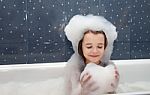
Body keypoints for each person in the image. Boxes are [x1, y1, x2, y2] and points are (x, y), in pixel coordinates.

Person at [64, 14, 119, 95]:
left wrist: (114, 87)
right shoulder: (75, 69)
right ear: (81, 47)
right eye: (89, 47)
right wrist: (82, 91)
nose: (95, 51)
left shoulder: (109, 66)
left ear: (105, 47)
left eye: (100, 47)